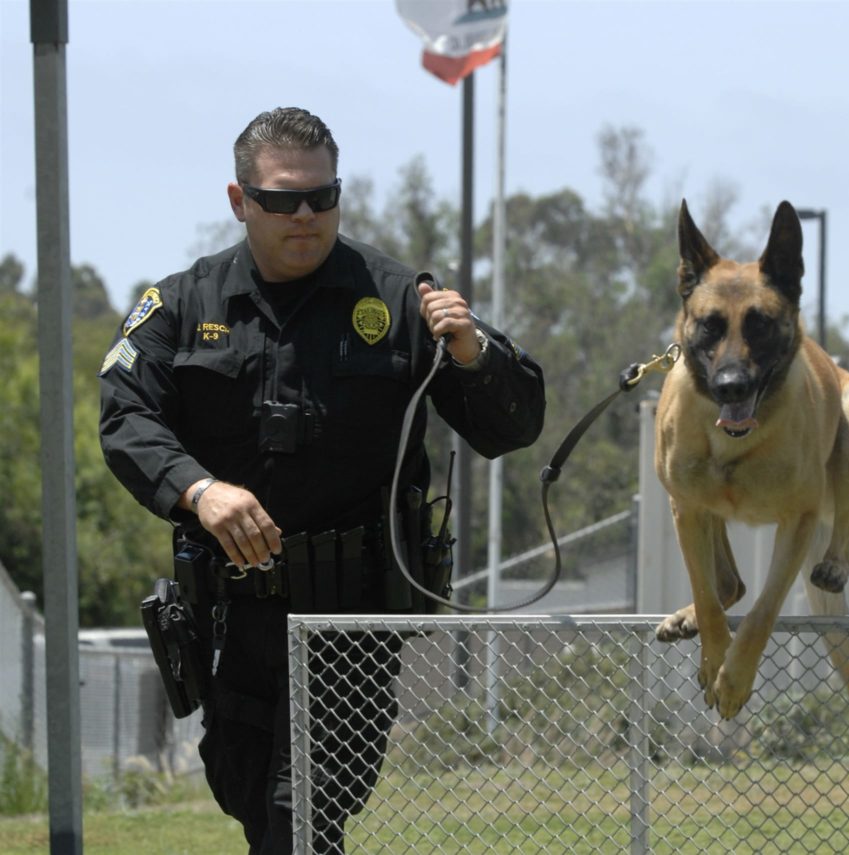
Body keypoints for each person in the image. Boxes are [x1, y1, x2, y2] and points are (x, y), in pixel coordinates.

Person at [98, 106, 545, 853]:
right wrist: (199, 489)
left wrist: (473, 355)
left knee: (298, 812)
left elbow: (514, 423)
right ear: (241, 201)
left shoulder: (400, 298)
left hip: (349, 618)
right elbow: (123, 413)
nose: (304, 214)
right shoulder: (185, 303)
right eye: (280, 199)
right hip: (231, 614)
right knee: (249, 794)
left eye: (322, 196)